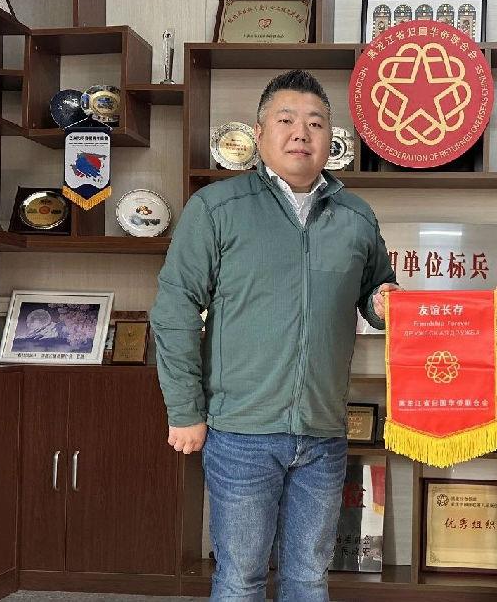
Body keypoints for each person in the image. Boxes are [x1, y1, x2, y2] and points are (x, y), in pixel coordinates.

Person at [150, 69, 397, 602]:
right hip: (240, 431)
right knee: (240, 577)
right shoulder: (216, 208)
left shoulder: (356, 216)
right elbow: (174, 310)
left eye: (316, 122)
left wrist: (387, 302)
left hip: (323, 432)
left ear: (331, 137)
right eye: (286, 120)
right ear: (259, 134)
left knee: (309, 578)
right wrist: (184, 409)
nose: (301, 133)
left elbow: (378, 296)